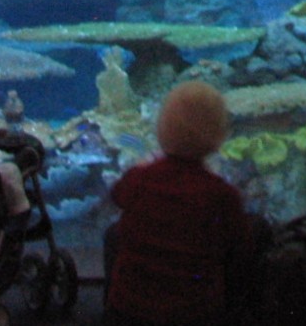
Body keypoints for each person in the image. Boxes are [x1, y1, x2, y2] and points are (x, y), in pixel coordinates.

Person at [104, 80, 253, 326]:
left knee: (113, 233)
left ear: (161, 129)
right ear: (220, 135)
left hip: (129, 311)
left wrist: (144, 167)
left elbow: (117, 195)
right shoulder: (222, 194)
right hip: (194, 314)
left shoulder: (140, 178)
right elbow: (238, 243)